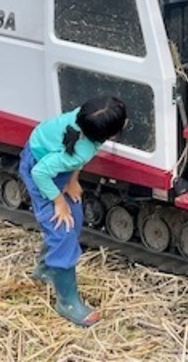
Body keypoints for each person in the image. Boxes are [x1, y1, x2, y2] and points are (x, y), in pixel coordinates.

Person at [19, 95, 128, 327]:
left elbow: (77, 156)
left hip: (57, 164)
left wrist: (72, 180)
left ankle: (46, 270)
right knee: (63, 230)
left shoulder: (85, 117)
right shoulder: (79, 150)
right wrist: (58, 201)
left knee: (75, 219)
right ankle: (67, 302)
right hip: (41, 170)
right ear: (109, 135)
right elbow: (40, 173)